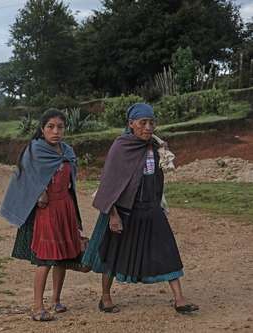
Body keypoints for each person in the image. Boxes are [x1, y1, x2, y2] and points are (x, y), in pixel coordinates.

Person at [82, 103, 199, 315]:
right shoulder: (121, 147)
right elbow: (109, 184)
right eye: (142, 123)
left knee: (168, 250)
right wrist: (113, 215)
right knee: (112, 254)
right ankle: (105, 297)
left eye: (151, 122)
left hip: (151, 208)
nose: (148, 127)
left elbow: (156, 180)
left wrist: (159, 205)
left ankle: (179, 299)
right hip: (124, 211)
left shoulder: (155, 147)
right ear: (131, 124)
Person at [0, 108, 88, 322]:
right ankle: (37, 306)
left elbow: (71, 184)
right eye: (50, 127)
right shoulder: (35, 150)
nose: (55, 131)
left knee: (63, 257)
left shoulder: (67, 151)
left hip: (65, 208)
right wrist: (39, 193)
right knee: (46, 259)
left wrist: (74, 215)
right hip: (46, 212)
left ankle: (56, 301)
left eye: (60, 127)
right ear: (42, 129)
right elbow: (26, 177)